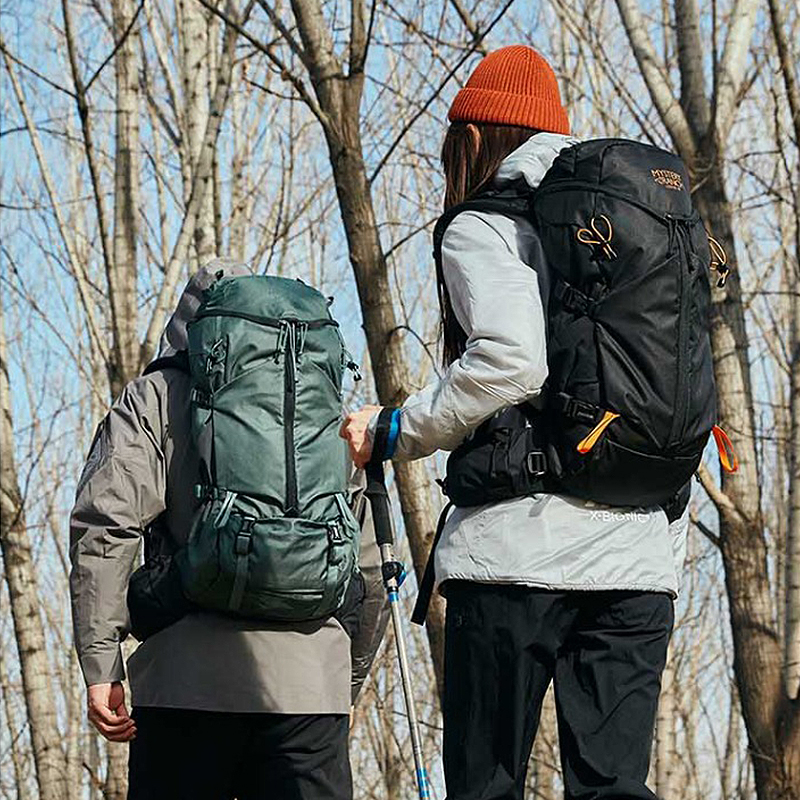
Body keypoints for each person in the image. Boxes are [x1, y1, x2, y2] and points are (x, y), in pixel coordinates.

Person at [341, 46, 688, 800]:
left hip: (511, 558)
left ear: (473, 139)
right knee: (614, 790)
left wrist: (401, 429)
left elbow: (511, 361)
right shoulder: (629, 224)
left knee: (487, 788)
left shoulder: (484, 223)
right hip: (637, 560)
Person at [70, 259, 387, 800]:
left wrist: (102, 664)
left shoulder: (156, 397)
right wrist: (346, 682)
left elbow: (106, 525)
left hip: (183, 688)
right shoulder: (318, 400)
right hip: (309, 697)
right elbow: (367, 559)